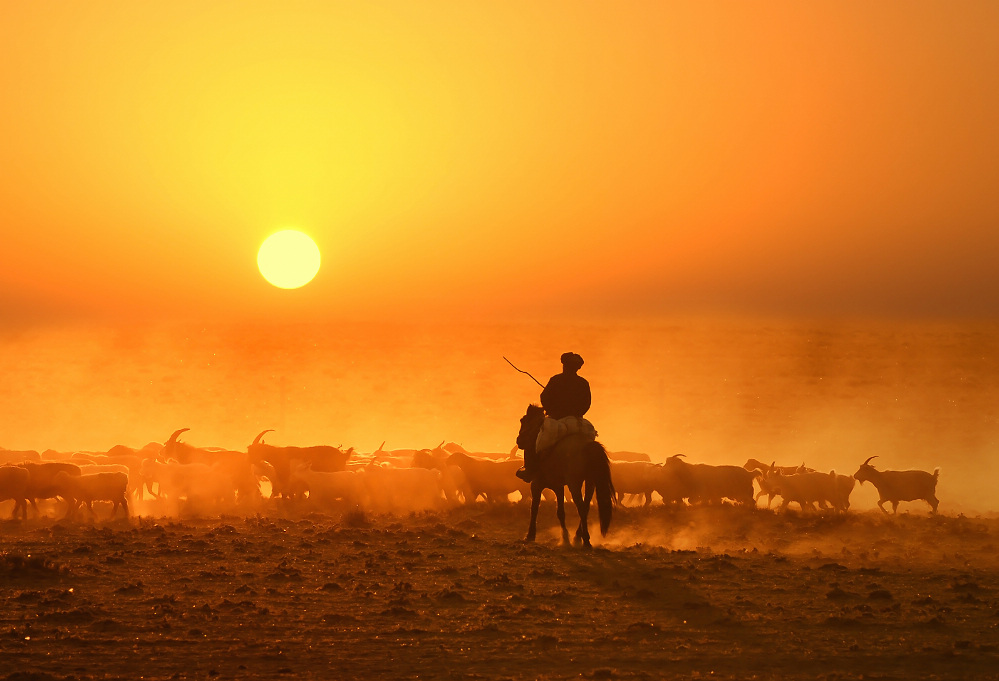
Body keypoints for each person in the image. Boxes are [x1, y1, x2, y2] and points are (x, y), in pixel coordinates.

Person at [517, 352, 596, 482]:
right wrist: (576, 413)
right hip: (577, 420)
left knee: (533, 438)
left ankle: (529, 470)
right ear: (577, 368)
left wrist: (552, 410)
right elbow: (586, 403)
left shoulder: (556, 380)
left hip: (556, 419)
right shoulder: (583, 383)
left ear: (564, 366)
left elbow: (544, 398)